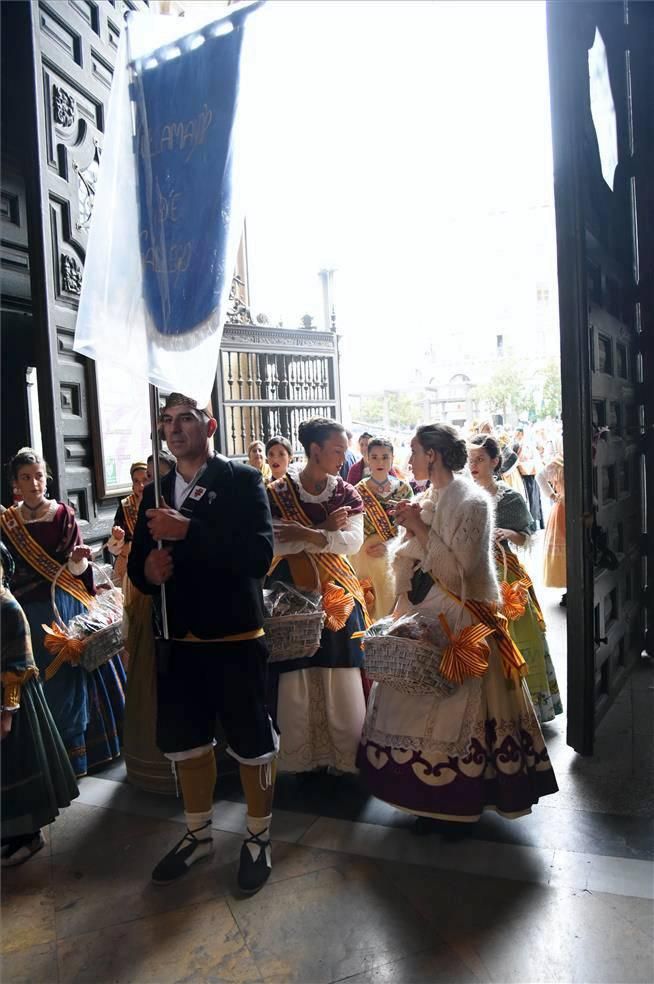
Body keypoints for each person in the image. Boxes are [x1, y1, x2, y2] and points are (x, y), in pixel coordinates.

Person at [358, 424, 558, 822]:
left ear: (432, 454)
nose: (408, 459)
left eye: (413, 451)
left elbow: (461, 572)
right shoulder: (426, 496)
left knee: (456, 705)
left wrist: (417, 528)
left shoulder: (474, 502)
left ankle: (457, 805)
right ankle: (421, 802)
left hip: (463, 618)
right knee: (412, 692)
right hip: (421, 613)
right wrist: (410, 536)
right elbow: (413, 555)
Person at [129, 393, 277, 893]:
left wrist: (189, 528)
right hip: (176, 636)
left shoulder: (241, 481)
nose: (173, 429)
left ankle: (258, 837)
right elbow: (139, 565)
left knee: (252, 741)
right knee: (188, 741)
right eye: (166, 421)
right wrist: (147, 571)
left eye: (185, 419)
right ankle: (198, 833)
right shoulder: (156, 489)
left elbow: (258, 555)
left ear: (209, 425)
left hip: (234, 633)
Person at [1, 448, 125, 777]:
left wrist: (78, 559)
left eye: (39, 476)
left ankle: (77, 757)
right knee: (35, 679)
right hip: (26, 612)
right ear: (15, 483)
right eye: (26, 478)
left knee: (69, 679)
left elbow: (77, 567)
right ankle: (45, 755)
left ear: (48, 478)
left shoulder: (62, 514)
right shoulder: (8, 522)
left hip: (63, 607)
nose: (34, 483)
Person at [267, 417, 368, 774]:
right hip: (291, 589)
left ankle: (344, 757)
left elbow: (352, 542)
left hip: (337, 590)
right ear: (315, 450)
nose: (344, 457)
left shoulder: (346, 492)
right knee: (296, 668)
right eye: (338, 450)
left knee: (340, 667)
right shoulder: (276, 492)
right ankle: (301, 756)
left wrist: (309, 534)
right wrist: (323, 531)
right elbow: (274, 540)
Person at [468, 435, 563, 724]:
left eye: (480, 460)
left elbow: (525, 534)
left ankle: (528, 704)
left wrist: (509, 534)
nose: (473, 465)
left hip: (505, 573)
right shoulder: (461, 494)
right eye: (470, 460)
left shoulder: (510, 498)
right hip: (471, 574)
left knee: (520, 633)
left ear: (495, 462)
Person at [1, 544, 79, 866]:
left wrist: (7, 713)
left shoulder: (7, 607)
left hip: (14, 699)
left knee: (19, 764)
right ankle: (9, 833)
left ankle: (28, 836)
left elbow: (19, 664)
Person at [123, 450, 177, 795]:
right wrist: (146, 568)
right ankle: (153, 761)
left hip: (188, 606)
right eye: (145, 478)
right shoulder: (140, 506)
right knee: (150, 673)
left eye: (159, 475)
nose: (150, 484)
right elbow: (135, 558)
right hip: (150, 602)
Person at [351, 438, 413, 620]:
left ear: (393, 458)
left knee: (391, 607)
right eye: (375, 457)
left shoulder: (404, 489)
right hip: (363, 555)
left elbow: (410, 526)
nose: (380, 462)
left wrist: (388, 545)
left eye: (385, 457)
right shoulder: (357, 491)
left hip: (394, 553)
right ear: (367, 459)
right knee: (367, 604)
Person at [106, 461, 148, 587]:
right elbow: (114, 548)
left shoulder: (158, 501)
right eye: (136, 481)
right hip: (127, 565)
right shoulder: (125, 506)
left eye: (145, 480)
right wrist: (117, 537)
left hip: (151, 564)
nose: (141, 485)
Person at [537, 454, 567, 604]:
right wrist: (552, 495)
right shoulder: (558, 461)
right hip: (563, 508)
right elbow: (539, 477)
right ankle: (569, 588)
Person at [516, 430, 544, 529]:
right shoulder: (523, 444)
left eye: (518, 433)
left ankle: (534, 524)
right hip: (530, 473)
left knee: (532, 498)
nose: (516, 435)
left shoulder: (524, 444)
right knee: (534, 498)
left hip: (529, 474)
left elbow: (525, 457)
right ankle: (536, 523)